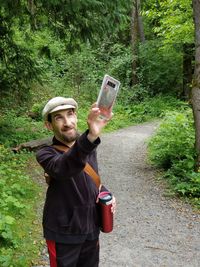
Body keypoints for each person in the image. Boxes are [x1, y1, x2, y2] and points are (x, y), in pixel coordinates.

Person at [36, 96, 116, 267]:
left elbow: (92, 180)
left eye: (70, 114)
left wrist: (106, 193)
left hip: (91, 228)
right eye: (59, 117)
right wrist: (91, 136)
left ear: (76, 117)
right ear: (49, 125)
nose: (67, 122)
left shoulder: (87, 147)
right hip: (63, 233)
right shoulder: (46, 154)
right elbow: (64, 168)